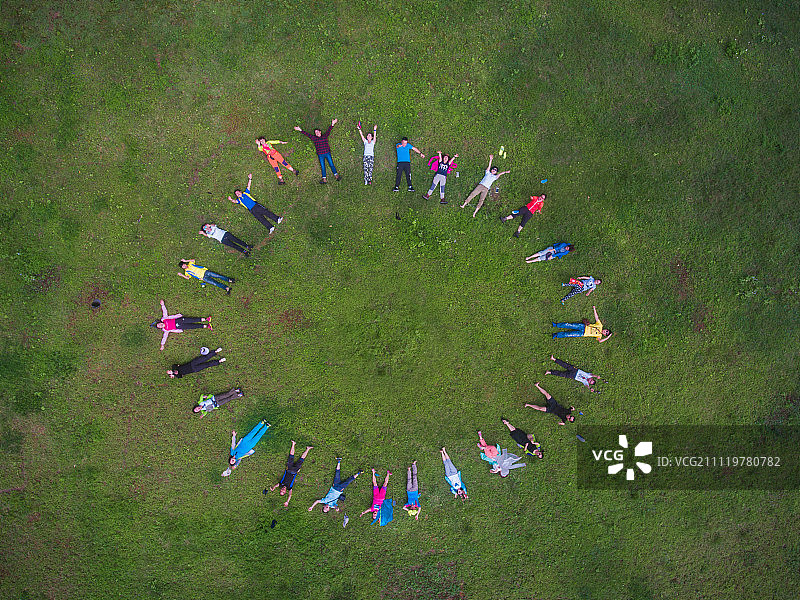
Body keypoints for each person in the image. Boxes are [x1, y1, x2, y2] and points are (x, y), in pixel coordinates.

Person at [294, 119, 341, 184]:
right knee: (322, 166)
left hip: (327, 153)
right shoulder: (314, 139)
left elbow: (329, 130)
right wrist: (300, 130)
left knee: (331, 164)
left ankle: (337, 176)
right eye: (315, 133)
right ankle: (324, 179)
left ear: (320, 132)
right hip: (320, 155)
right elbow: (308, 135)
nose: (317, 133)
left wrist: (332, 124)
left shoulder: (325, 136)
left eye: (317, 132)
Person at [269, 441, 313, 507]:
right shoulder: (289, 488)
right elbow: (290, 495)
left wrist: (273, 488)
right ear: (285, 492)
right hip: (295, 471)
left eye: (281, 491)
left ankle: (293, 444)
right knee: (301, 459)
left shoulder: (281, 484)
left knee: (291, 456)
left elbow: (276, 485)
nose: (283, 490)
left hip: (289, 469)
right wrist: (287, 501)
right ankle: (308, 449)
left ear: (281, 489)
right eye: (283, 492)